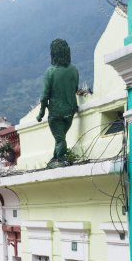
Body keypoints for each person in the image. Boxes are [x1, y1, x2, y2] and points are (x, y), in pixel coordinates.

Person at [36, 38, 79, 168]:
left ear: (53, 53)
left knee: (60, 138)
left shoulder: (51, 72)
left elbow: (44, 96)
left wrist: (41, 112)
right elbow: (75, 89)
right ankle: (55, 158)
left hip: (56, 112)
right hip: (70, 110)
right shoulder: (74, 70)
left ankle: (60, 160)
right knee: (61, 137)